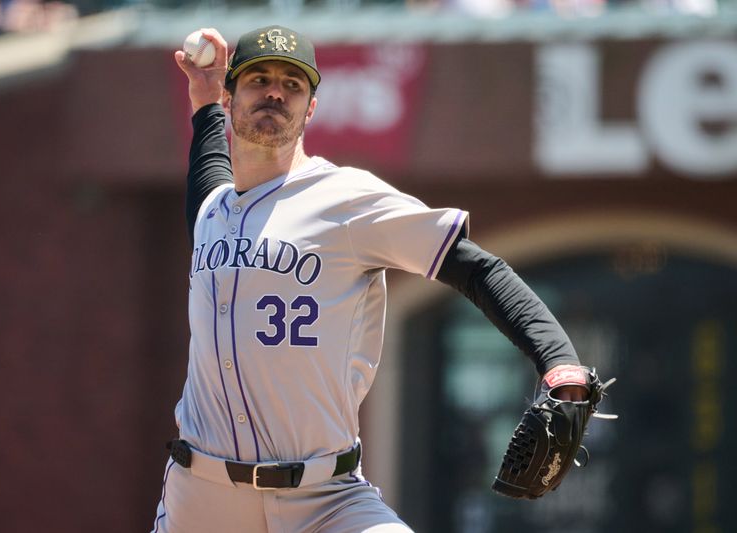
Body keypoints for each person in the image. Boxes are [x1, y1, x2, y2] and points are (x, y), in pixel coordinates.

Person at [152, 25, 589, 533]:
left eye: (292, 85)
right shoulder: (212, 211)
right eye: (258, 79)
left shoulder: (347, 199)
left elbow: (478, 269)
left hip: (324, 499)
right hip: (203, 501)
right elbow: (206, 166)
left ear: (310, 109)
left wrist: (561, 365)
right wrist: (203, 98)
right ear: (231, 96)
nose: (274, 92)